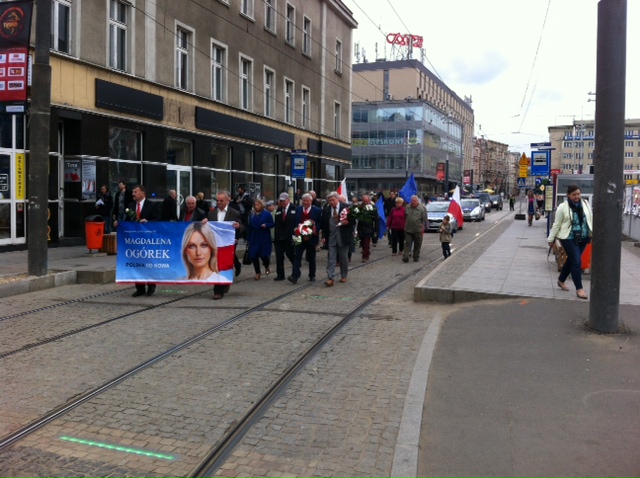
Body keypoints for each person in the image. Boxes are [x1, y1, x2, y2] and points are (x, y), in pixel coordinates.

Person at [547, 184, 593, 300]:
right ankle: (579, 289)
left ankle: (561, 280)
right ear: (568, 195)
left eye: (578, 194)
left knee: (572, 260)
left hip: (583, 236)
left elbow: (590, 219)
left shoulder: (585, 203)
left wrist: (591, 233)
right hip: (568, 237)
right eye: (574, 195)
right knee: (576, 261)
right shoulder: (562, 207)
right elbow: (557, 224)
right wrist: (551, 239)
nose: (577, 197)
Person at [114, 185, 160, 297]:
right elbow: (127, 220)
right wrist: (119, 224)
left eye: (135, 192)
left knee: (148, 263)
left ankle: (151, 284)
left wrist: (148, 221)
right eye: (133, 192)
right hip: (135, 241)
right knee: (136, 263)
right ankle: (140, 288)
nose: (133, 194)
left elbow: (158, 219)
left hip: (148, 240)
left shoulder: (151, 205)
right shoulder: (130, 205)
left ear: (143, 193)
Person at [205, 190, 245, 300]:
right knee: (216, 265)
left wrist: (238, 227)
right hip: (215, 244)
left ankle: (224, 283)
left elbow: (242, 227)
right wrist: (204, 223)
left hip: (228, 243)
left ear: (228, 200)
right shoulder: (211, 213)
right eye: (217, 201)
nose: (219, 203)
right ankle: (218, 290)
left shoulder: (234, 213)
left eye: (221, 201)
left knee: (225, 265)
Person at [288, 193, 322, 284]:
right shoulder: (298, 209)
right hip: (299, 237)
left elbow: (320, 223)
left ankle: (312, 275)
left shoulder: (317, 210)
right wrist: (295, 231)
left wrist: (315, 229)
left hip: (311, 237)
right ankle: (294, 276)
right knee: (297, 256)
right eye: (304, 201)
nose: (305, 203)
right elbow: (294, 222)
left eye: (307, 201)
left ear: (311, 201)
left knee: (311, 257)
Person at [321, 191, 352, 286]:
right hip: (331, 237)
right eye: (329, 200)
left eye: (333, 200)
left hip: (343, 237)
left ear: (337, 199)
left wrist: (348, 222)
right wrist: (323, 236)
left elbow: (353, 221)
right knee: (331, 258)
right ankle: (330, 277)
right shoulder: (327, 210)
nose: (331, 202)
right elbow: (324, 224)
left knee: (343, 258)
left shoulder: (346, 207)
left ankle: (344, 275)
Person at [247, 199, 274, 280]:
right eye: (255, 205)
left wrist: (266, 225)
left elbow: (272, 224)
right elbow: (249, 226)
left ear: (261, 205)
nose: (256, 207)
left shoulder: (267, 214)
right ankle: (257, 273)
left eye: (258, 205)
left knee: (263, 255)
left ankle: (266, 266)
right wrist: (248, 238)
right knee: (254, 255)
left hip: (263, 237)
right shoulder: (252, 214)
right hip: (254, 237)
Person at [273, 192, 296, 281]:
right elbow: (277, 225)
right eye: (281, 201)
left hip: (289, 237)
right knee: (279, 257)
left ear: (288, 200)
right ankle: (280, 275)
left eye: (283, 201)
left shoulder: (294, 209)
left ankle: (296, 272)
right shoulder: (279, 210)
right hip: (279, 238)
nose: (282, 202)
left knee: (290, 255)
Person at [402, 195, 427, 263]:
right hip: (408, 229)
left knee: (417, 244)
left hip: (417, 230)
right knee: (407, 243)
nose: (413, 202)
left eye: (415, 201)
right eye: (412, 201)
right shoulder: (407, 207)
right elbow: (405, 216)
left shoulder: (422, 209)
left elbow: (424, 219)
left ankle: (416, 256)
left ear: (418, 201)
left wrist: (424, 227)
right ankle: (405, 257)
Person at [355, 194, 378, 262]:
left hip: (369, 227)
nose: (366, 202)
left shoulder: (373, 208)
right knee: (362, 242)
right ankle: (366, 252)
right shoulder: (360, 207)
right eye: (365, 201)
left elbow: (376, 219)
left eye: (367, 201)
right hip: (361, 227)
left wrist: (376, 229)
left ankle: (365, 256)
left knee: (366, 242)